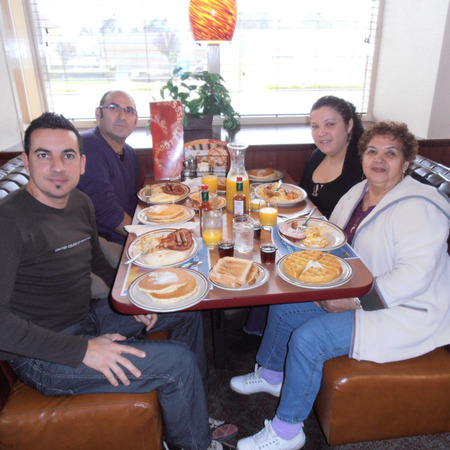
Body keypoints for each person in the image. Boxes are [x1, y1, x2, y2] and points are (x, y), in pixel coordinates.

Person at [230, 121, 450, 450]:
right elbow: (334, 238)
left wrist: (353, 302)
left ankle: (288, 431)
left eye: (391, 154)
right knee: (286, 304)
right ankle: (273, 375)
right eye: (372, 151)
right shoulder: (361, 191)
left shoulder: (420, 208)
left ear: (406, 163)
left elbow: (414, 277)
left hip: (404, 310)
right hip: (356, 288)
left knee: (309, 338)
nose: (379, 159)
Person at [0, 112, 215, 450]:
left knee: (186, 309)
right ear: (27, 161)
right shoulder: (8, 222)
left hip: (87, 317)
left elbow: (98, 264)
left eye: (67, 155)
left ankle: (192, 410)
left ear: (82, 163)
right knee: (178, 362)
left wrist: (131, 299)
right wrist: (83, 349)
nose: (57, 167)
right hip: (43, 354)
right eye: (43, 155)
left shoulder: (80, 202)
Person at [242, 96, 365, 339]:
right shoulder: (317, 156)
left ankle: (266, 328)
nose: (321, 133)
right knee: (261, 247)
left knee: (270, 259)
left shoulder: (360, 164)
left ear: (349, 125)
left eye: (330, 124)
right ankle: (258, 327)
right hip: (307, 235)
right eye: (315, 126)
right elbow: (305, 201)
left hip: (334, 249)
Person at [77, 90, 140, 245]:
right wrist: (142, 235)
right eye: (113, 108)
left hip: (127, 233)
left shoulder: (129, 152)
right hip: (101, 243)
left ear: (136, 120)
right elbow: (107, 212)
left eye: (129, 111)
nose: (122, 116)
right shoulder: (88, 147)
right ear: (99, 114)